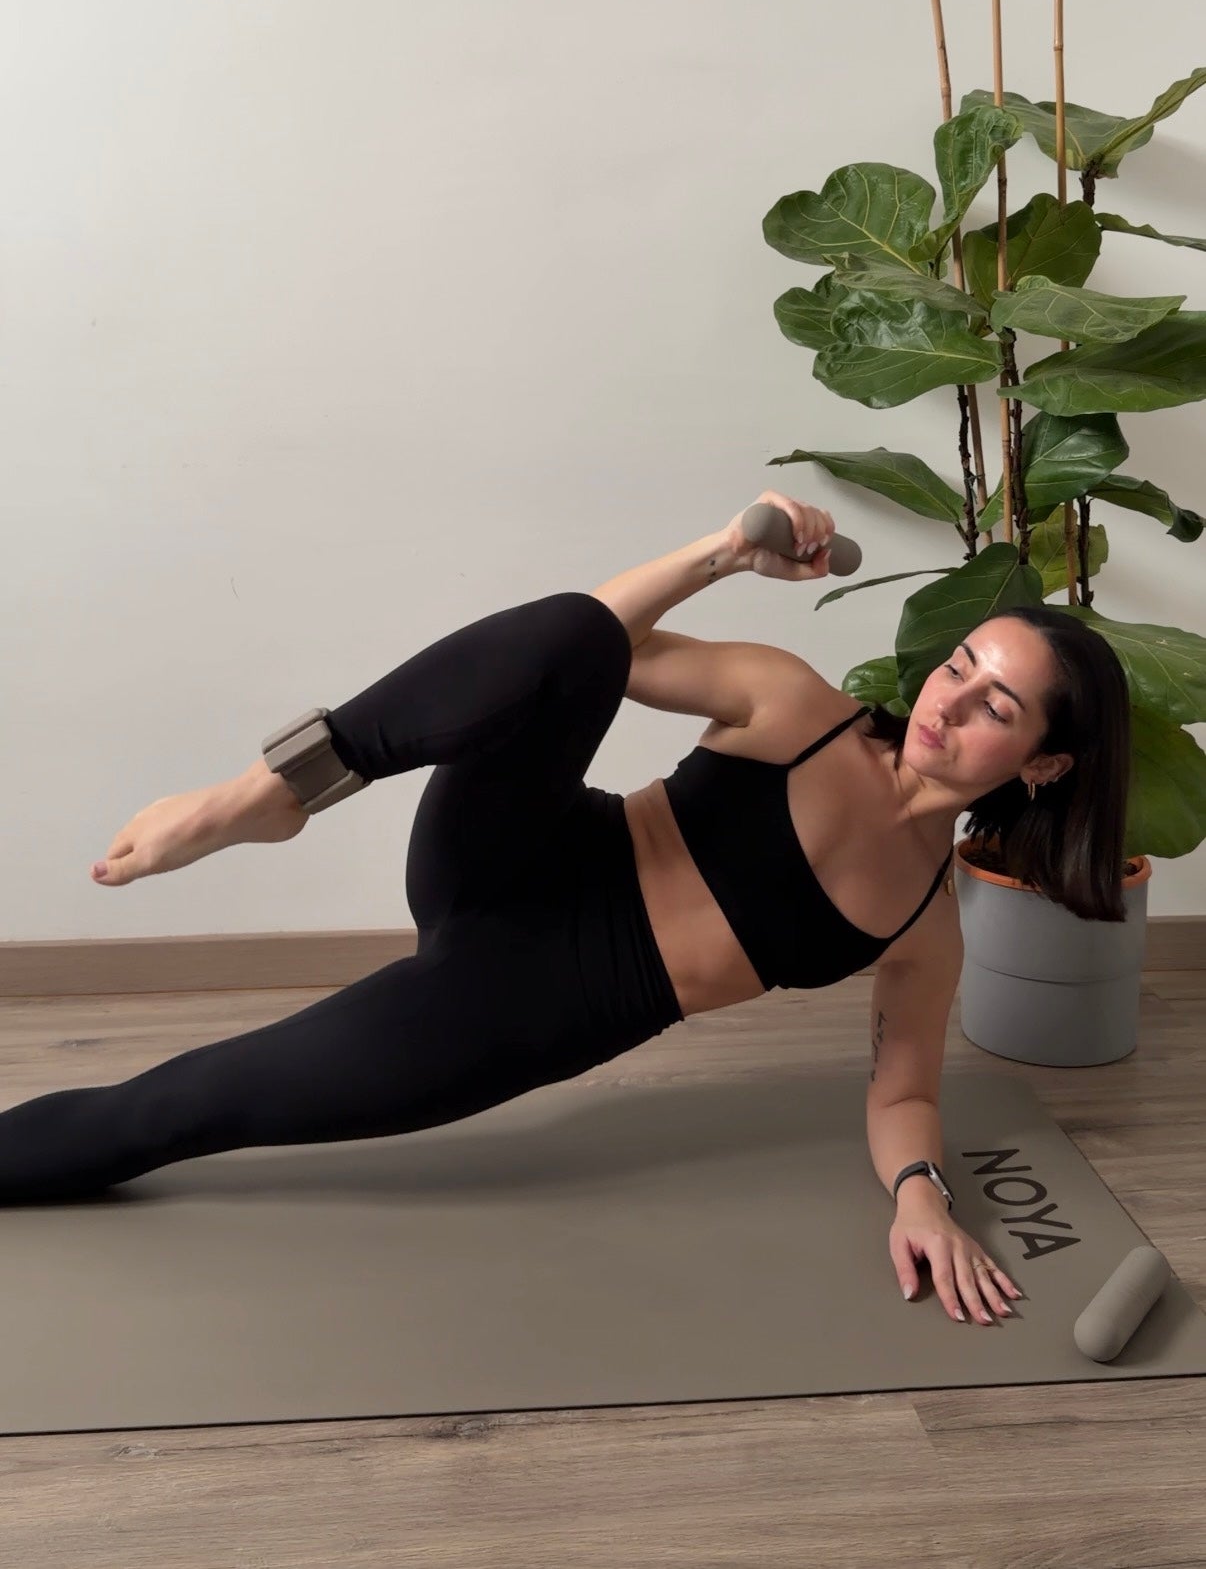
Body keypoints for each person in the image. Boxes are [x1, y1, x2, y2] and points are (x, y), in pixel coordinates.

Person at [0, 491, 1130, 1316]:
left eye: (997, 706)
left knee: (175, 1111)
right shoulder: (798, 706)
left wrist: (923, 1195)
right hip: (515, 850)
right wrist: (724, 554)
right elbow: (584, 644)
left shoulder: (926, 920)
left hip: (523, 1008)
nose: (950, 701)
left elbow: (904, 1090)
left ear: (1043, 764)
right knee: (575, 631)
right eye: (960, 665)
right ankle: (268, 793)